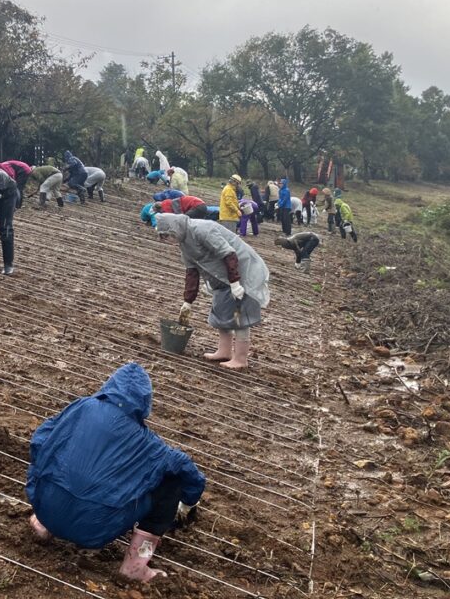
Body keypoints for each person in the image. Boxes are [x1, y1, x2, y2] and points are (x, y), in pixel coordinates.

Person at [26, 362, 205, 584]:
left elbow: (39, 440)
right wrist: (188, 503)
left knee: (60, 450)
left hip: (45, 510)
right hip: (94, 530)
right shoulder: (149, 444)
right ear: (144, 403)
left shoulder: (82, 407)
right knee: (171, 485)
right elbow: (186, 469)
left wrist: (45, 486)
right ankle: (135, 567)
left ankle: (46, 524)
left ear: (109, 386)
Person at [155, 213, 270, 370]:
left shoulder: (201, 229)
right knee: (220, 312)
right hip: (221, 279)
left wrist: (235, 283)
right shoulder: (184, 245)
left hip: (242, 271)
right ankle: (224, 351)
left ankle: (240, 359)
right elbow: (192, 273)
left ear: (174, 229)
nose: (168, 240)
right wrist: (187, 302)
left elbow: (229, 254)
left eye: (167, 236)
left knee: (239, 317)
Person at [139, 195, 209, 227]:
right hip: (202, 205)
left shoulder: (166, 207)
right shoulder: (168, 202)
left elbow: (173, 219)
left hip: (197, 206)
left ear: (159, 209)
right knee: (198, 225)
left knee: (183, 220)